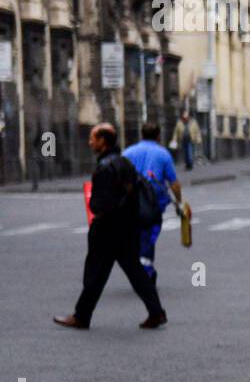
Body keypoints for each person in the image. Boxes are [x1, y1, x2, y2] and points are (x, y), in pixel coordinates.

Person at [54, 123, 167, 330]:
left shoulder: (105, 168)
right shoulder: (125, 163)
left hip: (107, 230)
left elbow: (100, 205)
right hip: (127, 229)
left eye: (93, 138)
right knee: (135, 272)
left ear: (102, 141)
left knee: (96, 274)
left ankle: (81, 317)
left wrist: (93, 205)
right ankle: (156, 312)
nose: (90, 142)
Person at [123, 123, 185, 284]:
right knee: (148, 238)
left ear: (141, 135)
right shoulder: (163, 154)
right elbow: (174, 183)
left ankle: (141, 269)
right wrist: (179, 202)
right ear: (158, 136)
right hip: (153, 205)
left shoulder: (128, 153)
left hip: (130, 205)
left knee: (135, 237)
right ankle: (146, 271)